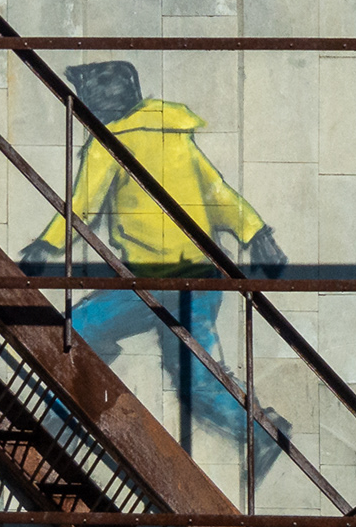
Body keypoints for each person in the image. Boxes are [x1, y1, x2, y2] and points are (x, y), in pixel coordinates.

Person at [19, 60, 294, 480]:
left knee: (81, 329)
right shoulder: (173, 134)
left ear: (98, 101)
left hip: (151, 281)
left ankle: (61, 422)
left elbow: (83, 207)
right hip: (200, 278)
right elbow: (218, 194)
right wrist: (256, 233)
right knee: (193, 374)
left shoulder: (109, 143)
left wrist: (45, 247)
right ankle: (260, 429)